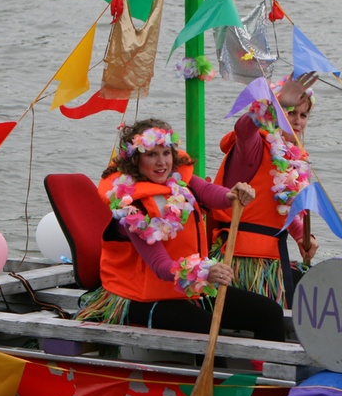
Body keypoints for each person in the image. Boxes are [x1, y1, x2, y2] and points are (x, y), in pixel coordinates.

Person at [75, 118, 285, 342]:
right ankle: (213, 377)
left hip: (190, 288)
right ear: (135, 160)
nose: (161, 162)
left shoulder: (178, 181)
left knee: (269, 313)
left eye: (166, 153)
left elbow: (210, 192)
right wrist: (205, 272)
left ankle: (270, 374)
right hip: (143, 296)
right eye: (151, 155)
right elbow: (161, 266)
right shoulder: (131, 207)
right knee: (205, 328)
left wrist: (232, 195)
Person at [210, 72, 320, 307]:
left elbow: (279, 207)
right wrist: (277, 102)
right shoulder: (254, 147)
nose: (298, 120)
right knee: (271, 315)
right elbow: (243, 129)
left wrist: (301, 234)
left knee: (319, 286)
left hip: (272, 259)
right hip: (241, 261)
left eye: (303, 115)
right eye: (290, 113)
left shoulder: (293, 159)